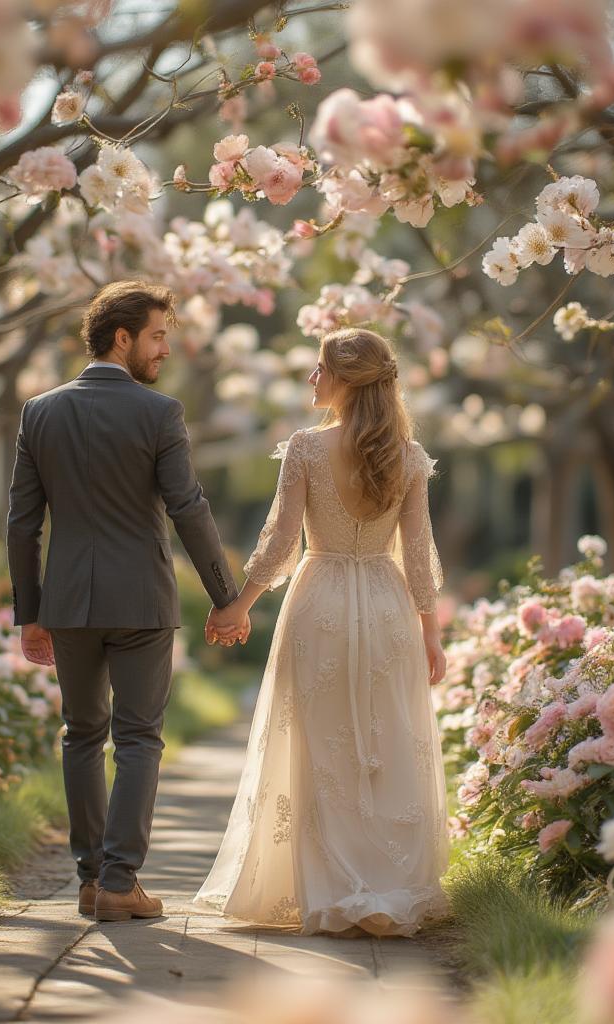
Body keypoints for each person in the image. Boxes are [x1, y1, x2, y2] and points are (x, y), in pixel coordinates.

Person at [195, 327, 450, 936]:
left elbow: (281, 543)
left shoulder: (307, 448)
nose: (312, 379)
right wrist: (431, 633)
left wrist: (237, 605)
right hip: (388, 607)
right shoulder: (408, 457)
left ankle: (330, 886)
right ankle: (385, 879)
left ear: (347, 380)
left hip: (322, 604)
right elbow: (418, 557)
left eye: (320, 369)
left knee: (323, 744)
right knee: (384, 747)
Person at [6, 280, 246, 924]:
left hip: (68, 603)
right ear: (123, 337)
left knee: (80, 735)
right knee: (138, 737)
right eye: (159, 335)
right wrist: (228, 597)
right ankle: (118, 880)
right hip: (141, 599)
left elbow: (22, 523)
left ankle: (90, 881)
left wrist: (29, 612)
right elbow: (188, 508)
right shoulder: (158, 413)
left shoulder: (40, 412)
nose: (166, 349)